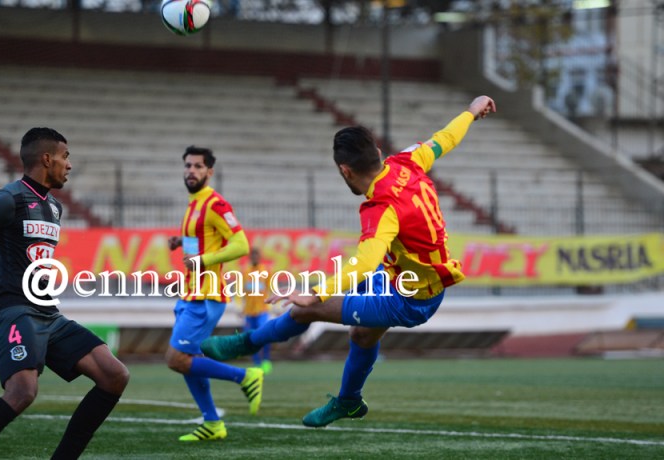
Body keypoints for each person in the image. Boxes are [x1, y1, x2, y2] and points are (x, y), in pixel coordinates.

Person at [201, 96, 497, 427]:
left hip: (411, 299)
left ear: (345, 170)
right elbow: (445, 138)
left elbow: (363, 265)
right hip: (400, 279)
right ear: (380, 155)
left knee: (305, 308)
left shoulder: (382, 208)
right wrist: (471, 112)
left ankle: (246, 343)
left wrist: (315, 294)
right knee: (362, 336)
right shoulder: (407, 162)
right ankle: (349, 401)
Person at [0, 128, 129, 459]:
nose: (69, 165)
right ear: (46, 158)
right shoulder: (6, 200)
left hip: (47, 314)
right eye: (65, 157)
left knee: (114, 375)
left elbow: (7, 258)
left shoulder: (54, 207)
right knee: (22, 391)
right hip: (15, 311)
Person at [165, 146, 263, 442]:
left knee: (175, 358)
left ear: (210, 172)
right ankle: (212, 423)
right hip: (190, 291)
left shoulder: (215, 204)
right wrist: (181, 241)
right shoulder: (193, 203)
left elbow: (241, 244)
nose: (191, 171)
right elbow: (203, 240)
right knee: (187, 359)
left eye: (197, 166)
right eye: (187, 166)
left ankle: (246, 377)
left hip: (205, 295)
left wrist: (204, 261)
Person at [239, 247, 273, 374]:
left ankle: (266, 361)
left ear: (260, 257)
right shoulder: (245, 271)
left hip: (262, 310)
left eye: (256, 256)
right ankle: (256, 363)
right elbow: (240, 291)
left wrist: (275, 306)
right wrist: (239, 307)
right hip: (248, 312)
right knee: (250, 337)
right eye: (252, 256)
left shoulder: (266, 271)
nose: (254, 258)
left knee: (264, 334)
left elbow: (271, 288)